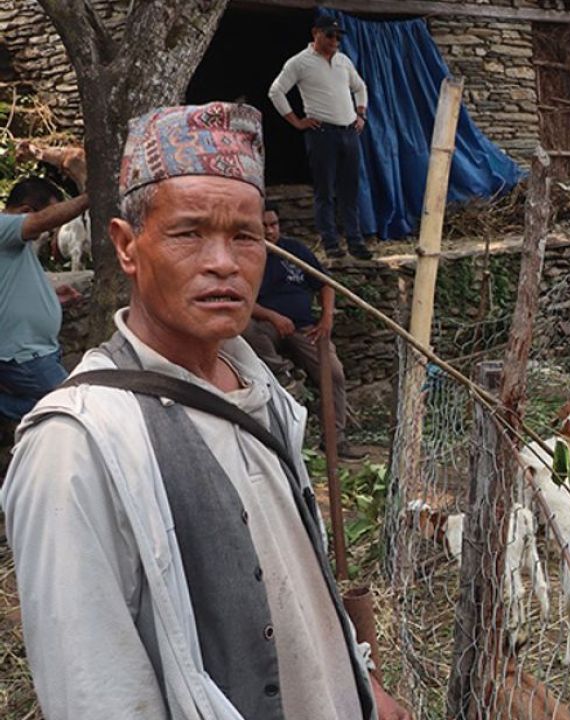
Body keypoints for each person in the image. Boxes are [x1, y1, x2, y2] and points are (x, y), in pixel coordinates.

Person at [1, 102, 409, 720]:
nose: (224, 262)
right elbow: (96, 694)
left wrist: (356, 683)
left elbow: (296, 583)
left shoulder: (262, 390)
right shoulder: (79, 445)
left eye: (244, 236)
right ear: (126, 246)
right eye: (189, 232)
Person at [244, 203, 365, 459]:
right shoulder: (244, 254)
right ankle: (282, 375)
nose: (270, 231)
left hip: (304, 327)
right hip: (265, 325)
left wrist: (327, 318)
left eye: (274, 224)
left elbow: (325, 284)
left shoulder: (295, 250)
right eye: (264, 226)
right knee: (246, 330)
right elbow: (240, 299)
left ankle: (335, 440)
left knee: (333, 373)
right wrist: (272, 316)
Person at [269, 15, 372, 260]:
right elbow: (276, 91)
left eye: (338, 37)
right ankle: (331, 242)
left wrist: (361, 114)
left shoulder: (343, 61)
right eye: (329, 35)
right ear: (316, 33)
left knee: (350, 190)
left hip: (348, 130)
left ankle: (355, 241)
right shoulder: (300, 62)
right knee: (325, 190)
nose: (334, 41)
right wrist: (297, 121)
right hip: (322, 132)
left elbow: (360, 87)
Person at [1, 177, 88, 430]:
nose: (48, 232)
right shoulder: (3, 226)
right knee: (72, 406)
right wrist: (89, 197)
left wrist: (52, 298)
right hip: (25, 356)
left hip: (36, 352)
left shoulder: (13, 242)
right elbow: (41, 221)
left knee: (58, 406)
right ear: (26, 211)